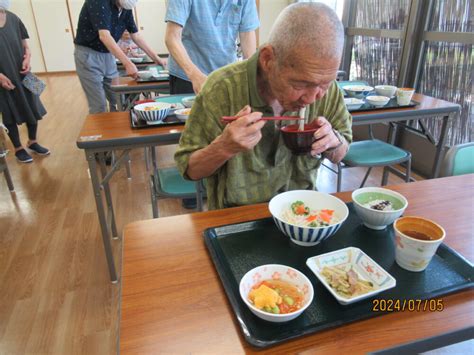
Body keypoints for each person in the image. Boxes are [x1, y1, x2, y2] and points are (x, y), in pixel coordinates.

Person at [174, 3, 352, 210]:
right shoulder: (222, 88)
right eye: (300, 85)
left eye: (325, 84)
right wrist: (224, 147)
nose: (313, 98)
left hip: (302, 213)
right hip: (238, 218)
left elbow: (342, 150)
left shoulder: (328, 91)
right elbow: (190, 169)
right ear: (268, 59)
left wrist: (333, 143)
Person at [74, 0, 167, 114]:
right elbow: (104, 36)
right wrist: (127, 63)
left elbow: (136, 35)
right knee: (99, 105)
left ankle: (116, 128)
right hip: (89, 55)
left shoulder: (125, 8)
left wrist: (156, 58)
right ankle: (103, 131)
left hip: (108, 55)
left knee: (118, 99)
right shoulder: (99, 2)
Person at [164, 0, 260, 95]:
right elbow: (172, 38)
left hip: (226, 77)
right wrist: (195, 76)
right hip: (187, 76)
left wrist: (251, 80)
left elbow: (248, 41)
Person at [0, 0, 50, 163]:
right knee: (8, 112)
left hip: (24, 72)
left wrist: (28, 57)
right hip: (3, 76)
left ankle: (33, 141)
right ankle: (18, 148)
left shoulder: (13, 18)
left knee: (33, 105)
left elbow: (26, 46)